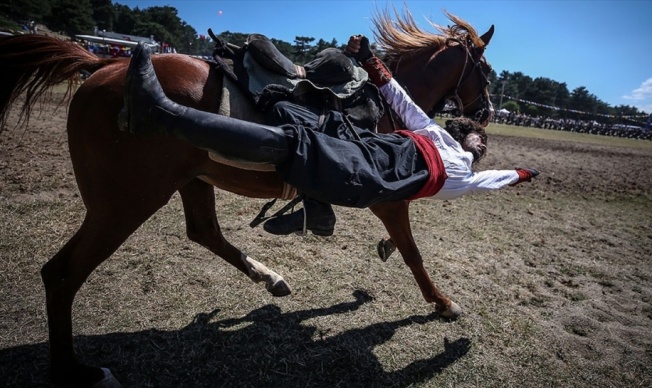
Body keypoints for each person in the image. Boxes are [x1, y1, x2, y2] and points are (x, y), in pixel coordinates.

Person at [119, 36, 539, 237]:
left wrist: (519, 173)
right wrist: (368, 59)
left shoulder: (464, 177)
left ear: (474, 154)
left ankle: (163, 113)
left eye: (481, 145)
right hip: (368, 149)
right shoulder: (430, 131)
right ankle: (317, 211)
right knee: (292, 115)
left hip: (370, 177)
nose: (479, 142)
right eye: (477, 138)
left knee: (292, 144)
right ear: (461, 134)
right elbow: (400, 97)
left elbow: (495, 179)